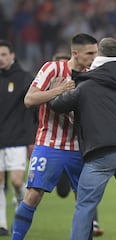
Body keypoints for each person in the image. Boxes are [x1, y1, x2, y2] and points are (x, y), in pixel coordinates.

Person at [49, 37, 116, 240]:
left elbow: (58, 105)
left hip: (101, 153)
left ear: (99, 56)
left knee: (85, 206)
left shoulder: (86, 85)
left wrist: (55, 90)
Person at [12, 33, 98, 240]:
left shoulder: (94, 74)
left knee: (85, 203)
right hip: (50, 145)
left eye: (96, 53)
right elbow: (29, 99)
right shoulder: (52, 69)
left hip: (81, 148)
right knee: (32, 195)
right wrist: (60, 90)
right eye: (90, 53)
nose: (95, 57)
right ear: (75, 53)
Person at [51, 51, 104, 237]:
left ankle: (92, 223)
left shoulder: (82, 84)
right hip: (56, 145)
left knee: (86, 187)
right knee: (63, 191)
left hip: (81, 144)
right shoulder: (48, 89)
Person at [0, 40, 37, 236]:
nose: (1, 59)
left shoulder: (23, 78)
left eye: (4, 54)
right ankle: (2, 224)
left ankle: (22, 208)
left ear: (12, 56)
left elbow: (34, 102)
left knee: (15, 181)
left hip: (16, 138)